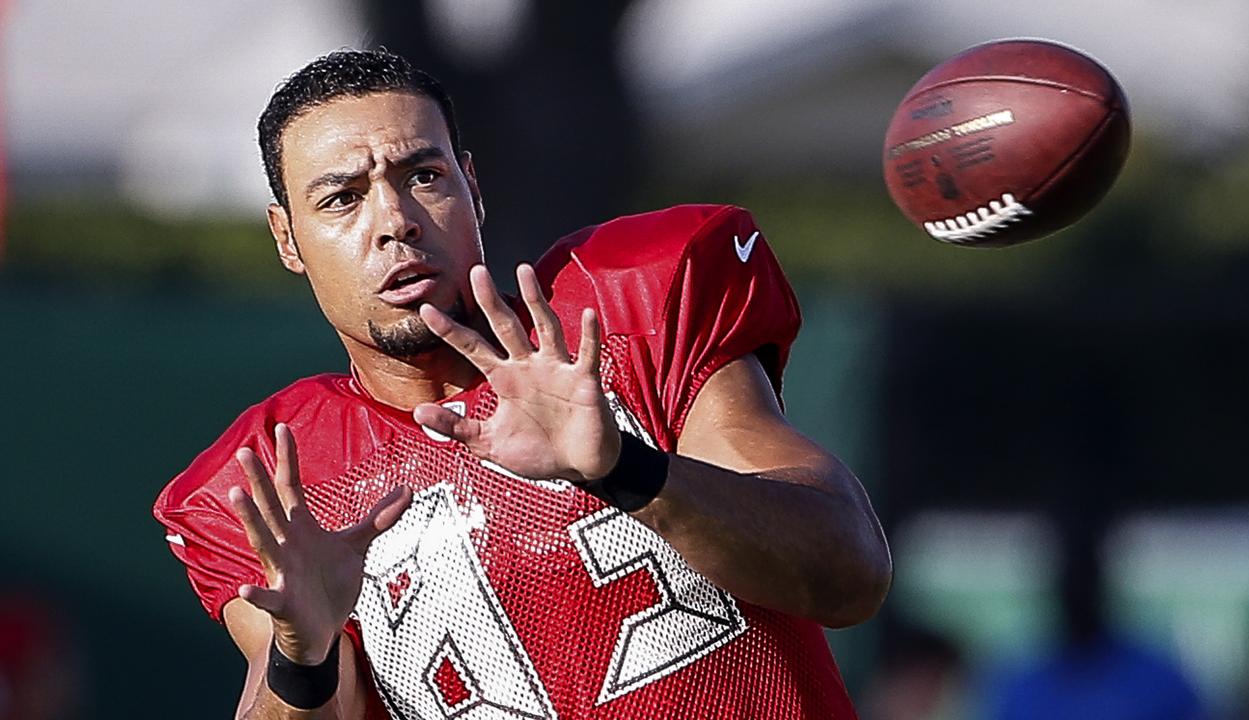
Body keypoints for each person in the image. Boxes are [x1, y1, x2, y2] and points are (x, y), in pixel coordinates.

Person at [154, 49, 891, 719]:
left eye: (423, 176)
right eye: (342, 197)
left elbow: (849, 573)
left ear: (471, 186)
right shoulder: (271, 479)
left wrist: (627, 470)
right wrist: (302, 657)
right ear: (287, 238)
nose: (396, 222)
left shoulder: (627, 313)